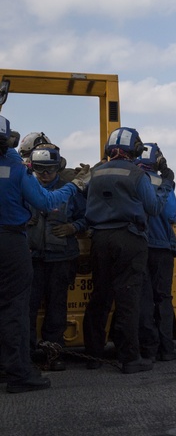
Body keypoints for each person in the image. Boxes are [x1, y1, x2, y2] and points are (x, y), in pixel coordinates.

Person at [0, 115, 88, 393]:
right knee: (15, 308)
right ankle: (19, 372)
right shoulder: (15, 169)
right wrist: (75, 186)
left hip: (51, 256)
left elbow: (84, 217)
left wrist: (72, 227)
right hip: (11, 243)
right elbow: (46, 202)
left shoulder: (18, 167)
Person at [82, 127, 164, 374]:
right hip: (129, 239)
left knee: (100, 297)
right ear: (136, 149)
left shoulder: (94, 172)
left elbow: (80, 199)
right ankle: (130, 359)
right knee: (128, 299)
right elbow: (154, 208)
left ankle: (93, 356)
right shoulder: (137, 174)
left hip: (100, 239)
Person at [26, 143, 87, 371]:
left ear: (58, 168)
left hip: (61, 259)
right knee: (28, 308)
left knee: (56, 308)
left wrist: (73, 227)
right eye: (39, 169)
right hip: (32, 259)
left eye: (49, 169)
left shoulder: (69, 190)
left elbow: (86, 216)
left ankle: (53, 354)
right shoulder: (25, 186)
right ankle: (28, 355)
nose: (44, 175)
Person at [135, 143, 176, 362]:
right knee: (163, 297)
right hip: (162, 247)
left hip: (139, 246)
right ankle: (167, 348)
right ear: (158, 160)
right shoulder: (162, 182)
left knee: (143, 297)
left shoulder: (132, 179)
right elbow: (172, 214)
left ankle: (147, 348)